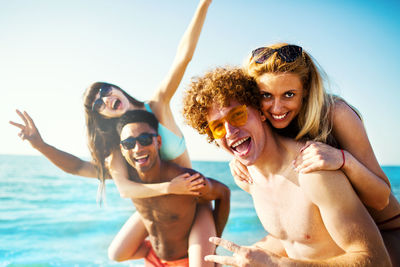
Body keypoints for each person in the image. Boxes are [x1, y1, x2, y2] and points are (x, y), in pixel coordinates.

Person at [9, 0, 218, 265]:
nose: (106, 99)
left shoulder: (158, 105)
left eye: (105, 90)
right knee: (116, 254)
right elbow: (79, 168)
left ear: (116, 88)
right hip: (159, 210)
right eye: (98, 104)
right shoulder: (123, 145)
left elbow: (183, 56)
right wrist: (40, 145)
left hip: (192, 200)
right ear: (102, 116)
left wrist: (204, 4)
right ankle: (157, 252)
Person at [182, 66, 391, 266]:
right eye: (217, 127)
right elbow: (295, 236)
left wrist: (277, 265)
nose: (230, 131)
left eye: (238, 115)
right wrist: (244, 257)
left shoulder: (314, 173)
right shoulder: (248, 178)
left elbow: (379, 261)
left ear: (261, 112)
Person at [229, 43, 400, 264]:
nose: (276, 108)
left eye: (289, 94)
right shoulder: (265, 124)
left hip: (388, 231)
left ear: (306, 90)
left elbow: (381, 199)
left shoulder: (335, 114)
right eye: (266, 95)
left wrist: (344, 161)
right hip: (341, 235)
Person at [115, 109, 230, 266]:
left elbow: (223, 192)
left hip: (188, 258)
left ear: (159, 142)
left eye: (145, 139)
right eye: (128, 143)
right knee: (115, 254)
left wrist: (213, 243)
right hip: (156, 259)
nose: (137, 148)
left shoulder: (184, 180)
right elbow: (80, 167)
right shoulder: (128, 179)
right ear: (122, 149)